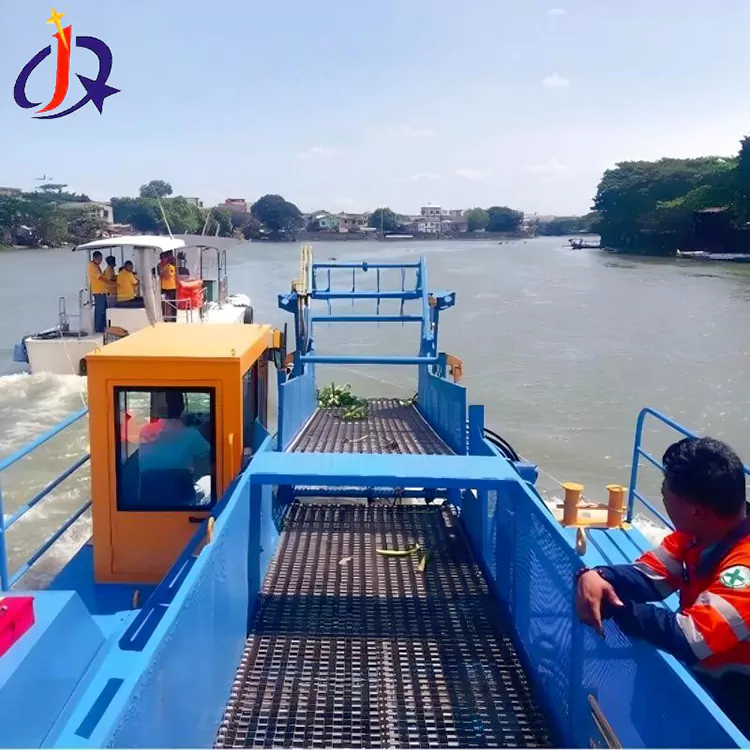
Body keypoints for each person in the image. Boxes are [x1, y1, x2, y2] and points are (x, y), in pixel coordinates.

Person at [575, 436, 750, 732]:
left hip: (736, 704)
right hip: (704, 680)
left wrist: (613, 606)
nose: (663, 497)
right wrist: (596, 576)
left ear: (697, 511)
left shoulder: (744, 567)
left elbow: (692, 639)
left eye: (666, 490)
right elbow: (649, 577)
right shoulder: (697, 534)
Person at [137, 390, 212, 505]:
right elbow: (206, 451)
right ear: (182, 407)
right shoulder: (191, 434)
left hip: (149, 498)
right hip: (182, 498)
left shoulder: (146, 430)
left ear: (158, 409)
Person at [87, 251, 107, 333]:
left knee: (103, 310)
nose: (101, 261)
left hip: (102, 291)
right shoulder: (92, 266)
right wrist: (110, 283)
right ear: (95, 258)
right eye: (99, 259)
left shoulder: (96, 266)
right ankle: (98, 328)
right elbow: (99, 277)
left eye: (101, 259)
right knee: (99, 310)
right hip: (98, 292)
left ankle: (103, 326)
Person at [159, 251, 177, 322]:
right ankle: (164, 318)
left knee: (172, 303)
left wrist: (161, 271)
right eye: (161, 258)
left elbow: (168, 275)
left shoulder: (170, 266)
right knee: (163, 303)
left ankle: (173, 319)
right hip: (163, 288)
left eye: (164, 258)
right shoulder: (159, 266)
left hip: (171, 288)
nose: (162, 260)